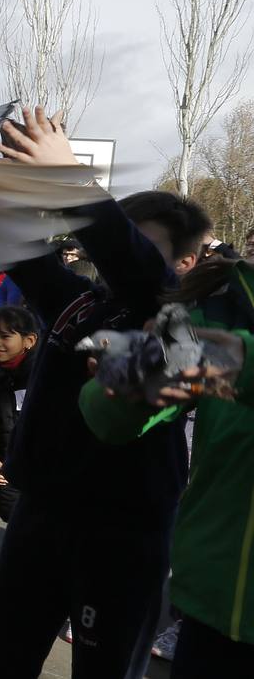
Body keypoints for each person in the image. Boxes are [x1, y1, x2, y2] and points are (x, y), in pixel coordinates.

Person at [0, 109, 212, 679]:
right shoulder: (83, 303)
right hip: (42, 516)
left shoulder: (184, 323)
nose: (112, 257)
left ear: (185, 262)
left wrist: (73, 183)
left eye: (138, 243)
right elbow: (22, 248)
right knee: (4, 665)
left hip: (122, 535)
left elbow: (139, 274)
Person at [78, 256, 254, 677]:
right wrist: (119, 384)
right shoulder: (220, 304)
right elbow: (108, 419)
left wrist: (229, 357)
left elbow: (224, 360)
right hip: (213, 610)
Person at [0, 307, 39, 523]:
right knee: (11, 516)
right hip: (6, 468)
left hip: (42, 472)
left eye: (5, 336)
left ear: (29, 340)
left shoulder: (43, 376)